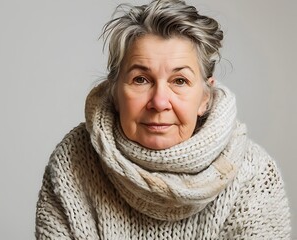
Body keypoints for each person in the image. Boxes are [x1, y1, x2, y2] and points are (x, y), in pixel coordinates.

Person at [35, 0, 291, 239]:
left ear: (205, 98)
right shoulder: (74, 161)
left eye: (179, 81)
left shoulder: (254, 176)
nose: (159, 102)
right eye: (141, 79)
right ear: (114, 92)